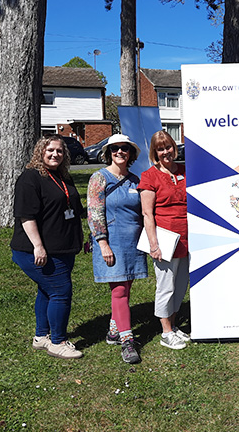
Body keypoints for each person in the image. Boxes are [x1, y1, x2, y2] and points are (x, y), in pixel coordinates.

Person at [11, 135, 85, 359]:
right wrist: (38, 246)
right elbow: (26, 216)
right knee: (60, 291)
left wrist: (83, 238)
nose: (55, 154)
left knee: (47, 290)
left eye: (60, 151)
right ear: (40, 152)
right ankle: (57, 342)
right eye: (50, 150)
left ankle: (41, 336)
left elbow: (74, 212)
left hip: (63, 249)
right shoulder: (30, 178)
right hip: (37, 251)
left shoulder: (63, 177)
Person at [87, 134, 148, 364]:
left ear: (131, 153)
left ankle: (113, 330)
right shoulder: (99, 178)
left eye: (124, 149)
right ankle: (127, 340)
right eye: (115, 149)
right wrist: (102, 242)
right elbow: (94, 212)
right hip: (112, 242)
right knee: (119, 290)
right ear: (108, 152)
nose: (120, 152)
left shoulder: (135, 180)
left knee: (126, 287)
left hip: (133, 242)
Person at [138, 130, 191, 350]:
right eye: (160, 149)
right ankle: (166, 331)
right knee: (166, 286)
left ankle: (175, 325)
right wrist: (154, 244)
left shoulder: (186, 170)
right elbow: (147, 214)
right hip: (166, 238)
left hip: (188, 237)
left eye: (168, 146)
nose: (165, 152)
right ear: (154, 152)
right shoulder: (149, 176)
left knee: (180, 285)